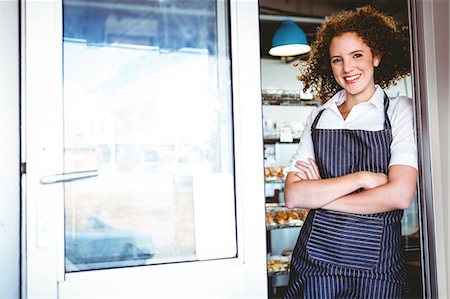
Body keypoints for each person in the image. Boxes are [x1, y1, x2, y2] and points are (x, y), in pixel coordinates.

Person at [283, 6, 418, 299]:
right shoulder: (319, 117)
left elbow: (399, 195)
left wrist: (321, 196)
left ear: (376, 56)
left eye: (357, 55)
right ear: (329, 66)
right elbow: (294, 196)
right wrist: (362, 178)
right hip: (315, 265)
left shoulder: (399, 111)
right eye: (337, 60)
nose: (348, 68)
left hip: (378, 269)